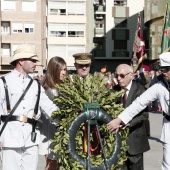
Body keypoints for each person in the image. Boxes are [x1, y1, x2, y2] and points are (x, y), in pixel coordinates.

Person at [107, 52, 170, 170]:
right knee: (168, 165)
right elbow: (138, 104)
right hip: (169, 126)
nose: (165, 73)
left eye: (167, 69)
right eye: (163, 70)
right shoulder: (159, 86)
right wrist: (120, 120)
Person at [0, 44, 58, 170]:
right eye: (32, 60)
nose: (35, 63)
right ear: (21, 61)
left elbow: (49, 108)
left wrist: (70, 120)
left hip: (31, 139)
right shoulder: (4, 82)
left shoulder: (35, 85)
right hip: (9, 138)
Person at [113, 64, 150, 170]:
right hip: (118, 143)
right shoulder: (113, 91)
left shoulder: (140, 91)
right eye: (116, 76)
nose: (118, 79)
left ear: (131, 75)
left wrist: (128, 123)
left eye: (121, 75)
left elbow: (144, 115)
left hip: (135, 142)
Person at [39, 56, 67, 170]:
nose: (64, 72)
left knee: (58, 164)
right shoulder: (48, 89)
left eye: (65, 69)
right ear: (54, 70)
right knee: (52, 164)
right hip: (50, 130)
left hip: (60, 129)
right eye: (61, 69)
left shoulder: (63, 86)